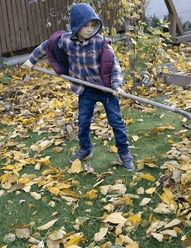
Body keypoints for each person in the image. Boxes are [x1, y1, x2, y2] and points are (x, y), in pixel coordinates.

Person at [22, 3, 135, 171]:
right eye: (85, 26)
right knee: (83, 122)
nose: (90, 29)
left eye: (92, 25)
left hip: (106, 89)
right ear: (76, 26)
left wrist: (117, 86)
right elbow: (47, 45)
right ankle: (85, 150)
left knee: (116, 122)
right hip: (85, 90)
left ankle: (124, 153)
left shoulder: (100, 42)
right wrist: (31, 61)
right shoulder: (66, 41)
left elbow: (114, 66)